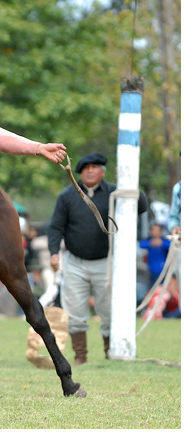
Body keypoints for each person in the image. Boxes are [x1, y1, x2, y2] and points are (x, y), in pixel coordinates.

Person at [47, 153, 147, 365]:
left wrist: (127, 182)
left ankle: (111, 353)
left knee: (109, 310)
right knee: (74, 312)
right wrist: (54, 252)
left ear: (103, 171)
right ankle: (80, 357)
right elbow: (56, 226)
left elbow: (142, 205)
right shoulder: (67, 195)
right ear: (80, 172)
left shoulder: (115, 192)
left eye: (95, 167)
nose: (90, 171)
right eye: (85, 168)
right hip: (75, 262)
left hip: (107, 262)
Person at [138, 224, 171, 290]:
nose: (155, 232)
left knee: (162, 290)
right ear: (150, 231)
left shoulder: (164, 241)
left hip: (163, 271)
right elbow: (140, 244)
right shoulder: (149, 241)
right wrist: (150, 243)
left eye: (157, 230)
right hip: (151, 271)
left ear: (161, 231)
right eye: (154, 230)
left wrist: (162, 243)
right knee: (152, 290)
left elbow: (172, 244)